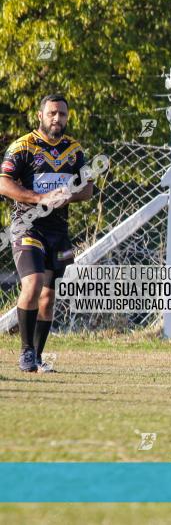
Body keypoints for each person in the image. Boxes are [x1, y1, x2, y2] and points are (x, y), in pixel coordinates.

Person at [0, 94, 94, 372]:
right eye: (52, 113)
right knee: (33, 282)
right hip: (27, 226)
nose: (57, 119)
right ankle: (26, 353)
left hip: (58, 232)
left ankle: (37, 359)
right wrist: (37, 198)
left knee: (49, 296)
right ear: (40, 115)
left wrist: (67, 196)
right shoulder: (23, 146)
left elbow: (87, 189)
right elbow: (4, 184)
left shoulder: (74, 150)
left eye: (62, 114)